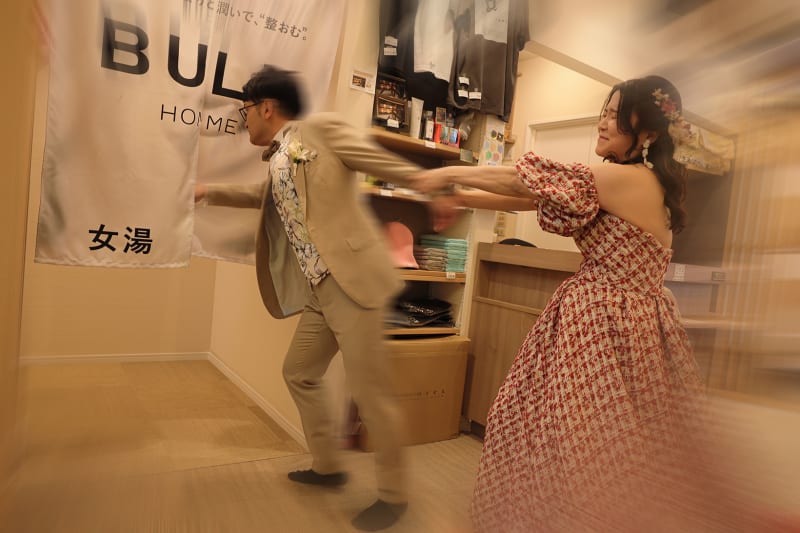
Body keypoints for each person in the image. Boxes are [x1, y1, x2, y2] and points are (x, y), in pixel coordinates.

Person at [411, 75, 762, 531]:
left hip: (604, 327)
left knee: (580, 446)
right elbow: (531, 197)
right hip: (624, 323)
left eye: (614, 116)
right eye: (604, 112)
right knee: (595, 442)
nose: (602, 122)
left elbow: (521, 179)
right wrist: (462, 197)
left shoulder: (629, 179)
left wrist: (449, 173)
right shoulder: (636, 181)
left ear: (647, 133)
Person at [195, 65, 436, 531]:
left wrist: (427, 183)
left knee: (370, 394)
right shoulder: (280, 156)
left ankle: (394, 495)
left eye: (246, 109)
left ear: (267, 107)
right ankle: (327, 466)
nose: (245, 119)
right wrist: (208, 191)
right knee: (299, 371)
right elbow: (262, 197)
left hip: (353, 282)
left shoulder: (318, 130)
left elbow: (371, 157)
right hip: (320, 289)